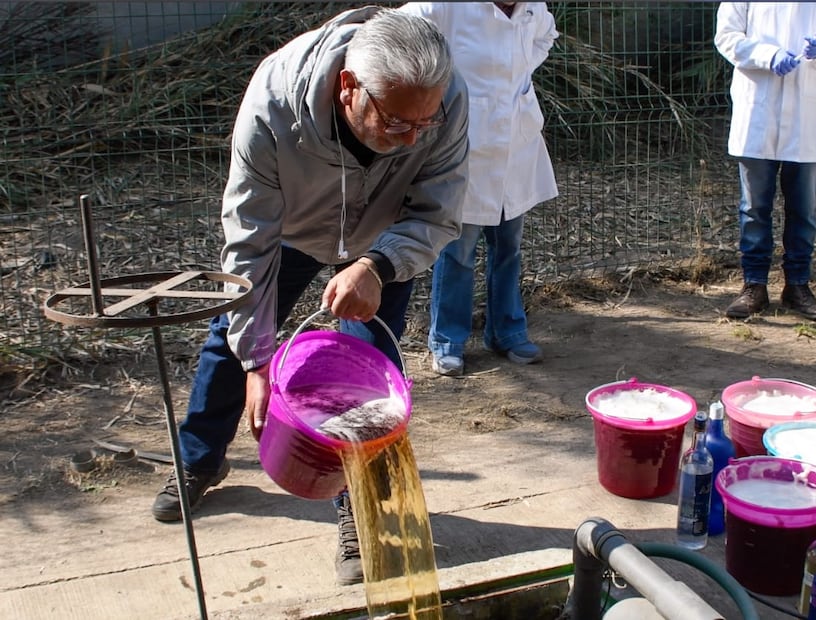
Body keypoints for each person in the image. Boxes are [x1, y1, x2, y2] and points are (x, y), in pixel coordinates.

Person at [148, 6, 469, 587]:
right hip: (291, 231)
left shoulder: (437, 97)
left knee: (369, 370)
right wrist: (256, 359)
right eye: (399, 123)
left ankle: (358, 510)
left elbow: (441, 210)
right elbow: (249, 246)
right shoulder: (274, 102)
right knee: (233, 340)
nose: (414, 137)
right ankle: (197, 460)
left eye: (426, 123)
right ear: (349, 88)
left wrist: (377, 264)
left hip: (383, 239)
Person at [399, 1, 559, 376]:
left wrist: (518, 75)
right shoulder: (447, 6)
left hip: (515, 145)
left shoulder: (534, 7)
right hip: (465, 144)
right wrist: (436, 84)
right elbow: (400, 26)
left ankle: (508, 331)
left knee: (509, 247)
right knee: (458, 249)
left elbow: (546, 36)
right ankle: (448, 340)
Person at [714, 3, 816, 321]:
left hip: (808, 114)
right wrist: (767, 55)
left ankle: (797, 286)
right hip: (758, 110)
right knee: (754, 208)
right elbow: (726, 35)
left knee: (803, 210)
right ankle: (754, 286)